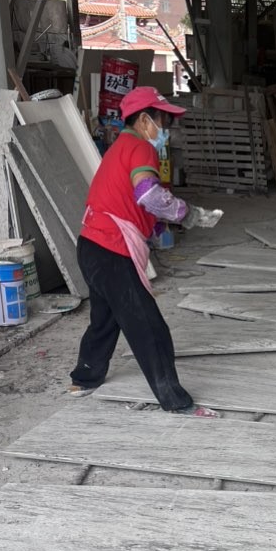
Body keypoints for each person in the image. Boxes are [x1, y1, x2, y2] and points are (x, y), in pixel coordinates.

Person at [68, 87, 222, 415]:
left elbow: (129, 202)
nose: (165, 129)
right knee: (149, 327)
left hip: (91, 245)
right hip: (112, 250)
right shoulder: (140, 148)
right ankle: (174, 400)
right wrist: (190, 214)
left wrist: (156, 228)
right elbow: (149, 196)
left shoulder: (120, 147)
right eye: (162, 121)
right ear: (143, 120)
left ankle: (85, 377)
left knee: (105, 318)